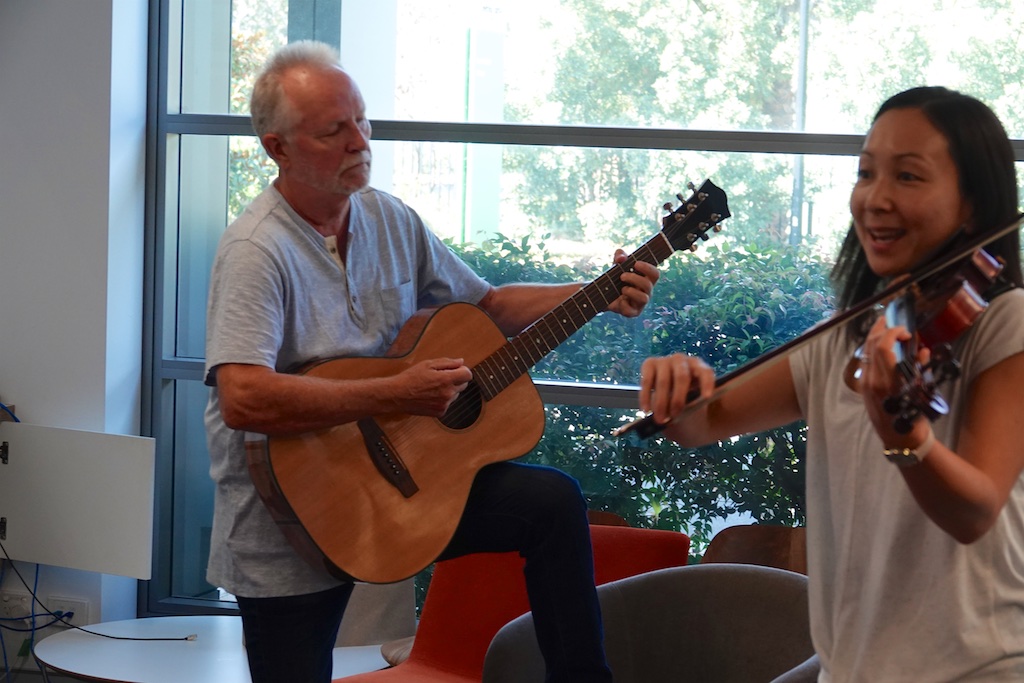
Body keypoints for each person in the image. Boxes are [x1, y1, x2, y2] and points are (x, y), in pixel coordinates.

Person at [203, 40, 660, 683]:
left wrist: (598, 292)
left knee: (551, 503)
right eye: (334, 131)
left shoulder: (390, 218)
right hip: (290, 522)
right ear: (277, 148)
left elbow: (488, 306)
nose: (359, 141)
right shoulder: (256, 251)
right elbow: (244, 396)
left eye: (362, 120)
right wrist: (397, 392)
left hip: (399, 493)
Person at [638, 86, 1024, 681]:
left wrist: (903, 436)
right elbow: (704, 422)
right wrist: (677, 387)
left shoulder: (1004, 322)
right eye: (866, 173)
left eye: (908, 176)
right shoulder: (845, 337)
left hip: (977, 667)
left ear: (972, 204)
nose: (875, 198)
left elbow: (974, 511)